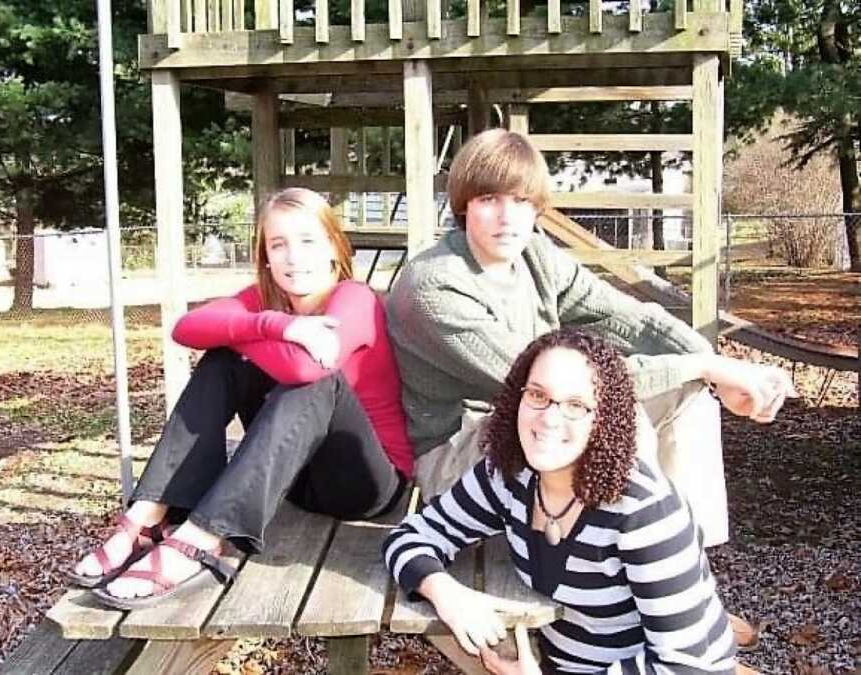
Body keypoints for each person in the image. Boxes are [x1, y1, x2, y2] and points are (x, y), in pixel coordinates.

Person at [386, 128, 793, 545]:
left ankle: (685, 557)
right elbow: (548, 386)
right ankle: (614, 566)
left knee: (687, 395)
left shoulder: (534, 255)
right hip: (460, 455)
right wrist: (706, 365)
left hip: (534, 422)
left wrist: (714, 370)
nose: (508, 217)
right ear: (463, 205)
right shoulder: (433, 287)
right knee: (616, 417)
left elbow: (629, 318)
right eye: (489, 199)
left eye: (521, 200)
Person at [70, 187, 413, 608]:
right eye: (278, 244)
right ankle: (149, 513)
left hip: (367, 485)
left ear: (333, 247)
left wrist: (246, 330)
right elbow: (188, 327)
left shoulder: (355, 298)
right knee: (223, 360)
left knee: (313, 378)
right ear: (266, 256)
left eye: (307, 241)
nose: (293, 256)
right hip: (297, 481)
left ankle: (200, 539)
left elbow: (306, 370)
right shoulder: (267, 300)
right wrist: (278, 326)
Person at [384, 329, 737, 674]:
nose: (550, 418)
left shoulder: (643, 511)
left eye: (575, 405)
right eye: (538, 395)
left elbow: (686, 665)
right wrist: (446, 593)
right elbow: (412, 534)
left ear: (604, 420)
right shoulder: (510, 476)